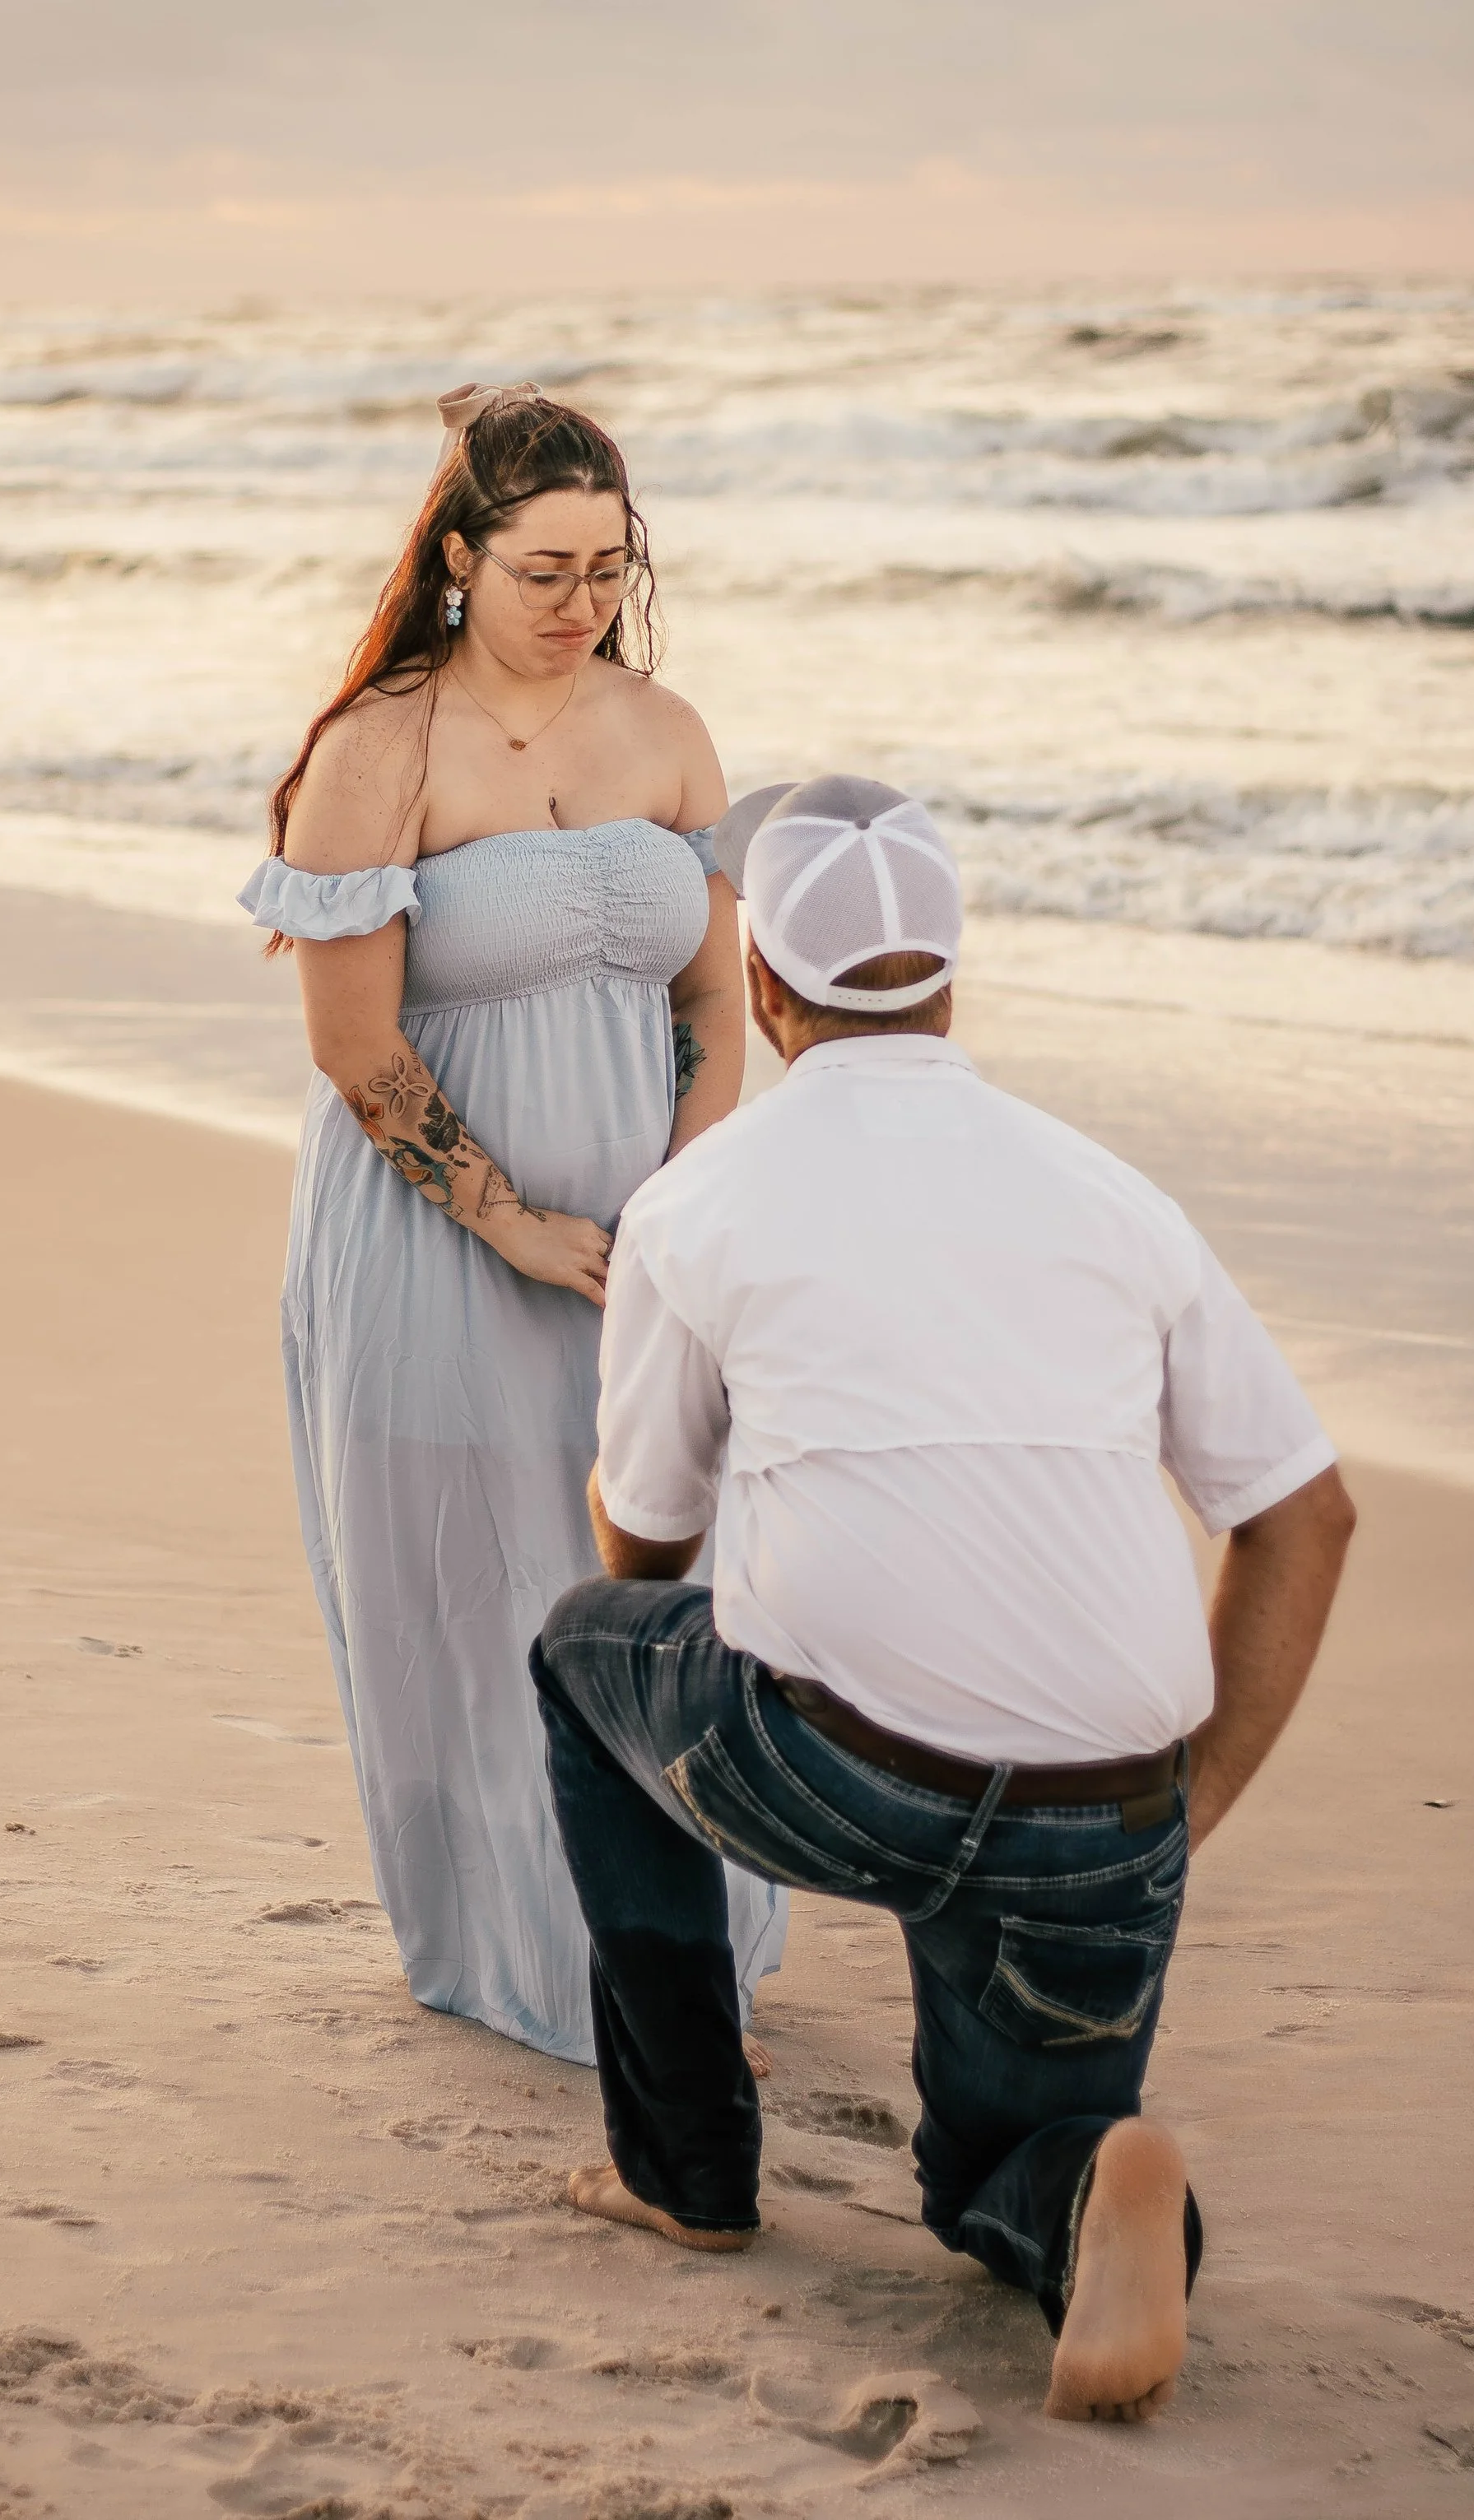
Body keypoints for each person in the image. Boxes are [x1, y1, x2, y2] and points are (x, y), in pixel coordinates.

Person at [532, 773, 1355, 2420]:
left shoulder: (702, 1200)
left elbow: (645, 1549)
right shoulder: (1113, 1198)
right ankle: (1090, 2203)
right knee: (989, 2169)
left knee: (579, 1653)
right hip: (1098, 1808)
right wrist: (1173, 1815)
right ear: (952, 975)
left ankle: (684, 2166)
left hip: (844, 1768)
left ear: (764, 989)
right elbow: (1303, 1519)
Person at [239, 383, 785, 2064]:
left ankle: (671, 1942)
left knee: (649, 1581)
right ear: (460, 556)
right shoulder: (378, 750)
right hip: (431, 1241)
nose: (581, 605)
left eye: (610, 568)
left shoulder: (664, 729)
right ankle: (517, 1950)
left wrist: (682, 1202)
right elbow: (354, 1049)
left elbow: (711, 993)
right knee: (471, 1594)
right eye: (546, 568)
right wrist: (513, 1225)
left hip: (643, 1242)